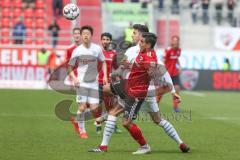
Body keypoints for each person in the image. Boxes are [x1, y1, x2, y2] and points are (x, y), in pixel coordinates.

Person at [90, 29, 189, 154]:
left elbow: (160, 70)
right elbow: (131, 65)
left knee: (149, 120)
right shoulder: (135, 50)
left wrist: (171, 90)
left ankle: (147, 145)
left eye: (135, 33)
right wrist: (126, 66)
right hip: (129, 85)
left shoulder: (149, 57)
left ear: (143, 38)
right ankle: (104, 143)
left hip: (140, 92)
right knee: (104, 89)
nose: (132, 35)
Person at [68, 25, 108, 139]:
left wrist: (105, 76)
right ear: (81, 36)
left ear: (91, 35)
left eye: (88, 33)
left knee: (95, 108)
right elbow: (70, 68)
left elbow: (104, 62)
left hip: (94, 83)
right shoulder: (77, 51)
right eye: (84, 33)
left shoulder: (97, 49)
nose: (86, 35)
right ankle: (82, 131)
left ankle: (77, 120)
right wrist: (74, 79)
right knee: (82, 107)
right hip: (81, 83)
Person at [161, 35, 182, 112]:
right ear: (172, 41)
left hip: (175, 73)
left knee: (176, 89)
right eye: (174, 40)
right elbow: (163, 61)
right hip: (167, 73)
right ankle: (154, 107)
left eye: (177, 41)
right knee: (161, 91)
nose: (175, 42)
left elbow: (176, 59)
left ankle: (175, 107)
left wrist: (179, 67)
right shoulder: (168, 50)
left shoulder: (179, 50)